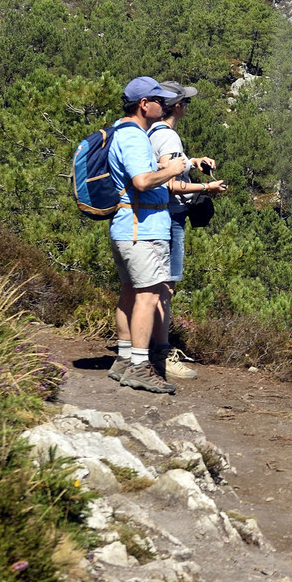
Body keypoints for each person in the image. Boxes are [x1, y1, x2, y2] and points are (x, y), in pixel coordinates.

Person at [106, 76, 187, 395]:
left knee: (130, 291)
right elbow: (141, 181)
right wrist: (173, 170)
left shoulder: (119, 130)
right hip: (144, 228)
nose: (163, 106)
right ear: (144, 104)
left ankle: (125, 359)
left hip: (127, 226)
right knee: (149, 294)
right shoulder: (135, 137)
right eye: (158, 100)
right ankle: (140, 366)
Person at [147, 81, 227, 379]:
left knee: (147, 285)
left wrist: (192, 162)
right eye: (186, 102)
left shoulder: (151, 131)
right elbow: (170, 183)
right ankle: (161, 354)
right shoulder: (169, 137)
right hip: (171, 216)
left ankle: (140, 348)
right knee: (165, 286)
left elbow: (163, 166)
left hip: (152, 213)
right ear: (177, 107)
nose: (187, 107)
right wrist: (207, 187)